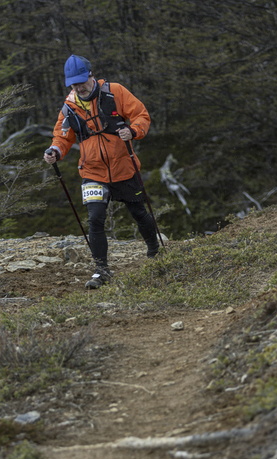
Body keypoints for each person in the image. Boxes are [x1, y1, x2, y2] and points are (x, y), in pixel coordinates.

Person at [43, 54, 160, 289]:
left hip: (123, 166)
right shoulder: (69, 108)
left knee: (139, 212)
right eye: (74, 85)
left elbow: (141, 115)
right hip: (92, 171)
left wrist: (133, 131)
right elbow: (62, 137)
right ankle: (101, 271)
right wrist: (54, 151)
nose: (79, 88)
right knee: (95, 218)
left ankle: (155, 253)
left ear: (91, 76)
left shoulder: (115, 92)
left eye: (81, 82)